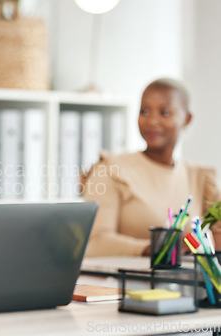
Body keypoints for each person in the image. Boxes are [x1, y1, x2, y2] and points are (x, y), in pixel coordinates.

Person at [81, 78, 221, 257]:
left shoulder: (200, 177)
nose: (152, 120)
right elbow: (96, 243)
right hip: (125, 282)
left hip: (188, 283)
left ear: (187, 119)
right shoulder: (110, 169)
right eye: (144, 111)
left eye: (164, 112)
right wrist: (159, 249)